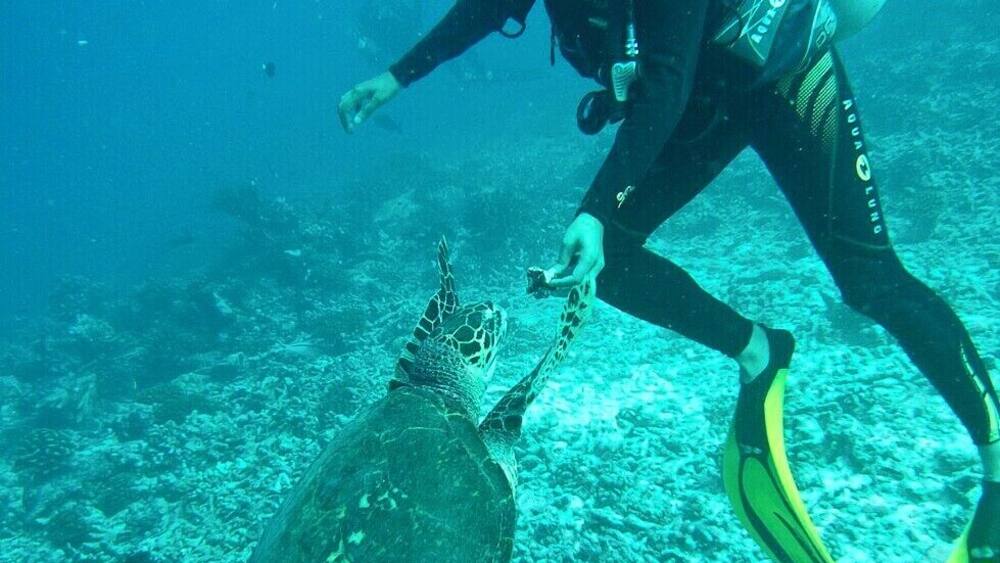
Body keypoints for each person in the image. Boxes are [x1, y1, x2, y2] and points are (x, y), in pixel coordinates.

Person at [337, 1, 999, 560]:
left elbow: (667, 81)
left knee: (870, 279)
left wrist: (595, 209)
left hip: (780, 77)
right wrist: (397, 76)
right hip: (702, 98)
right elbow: (484, 10)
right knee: (610, 261)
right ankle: (759, 350)